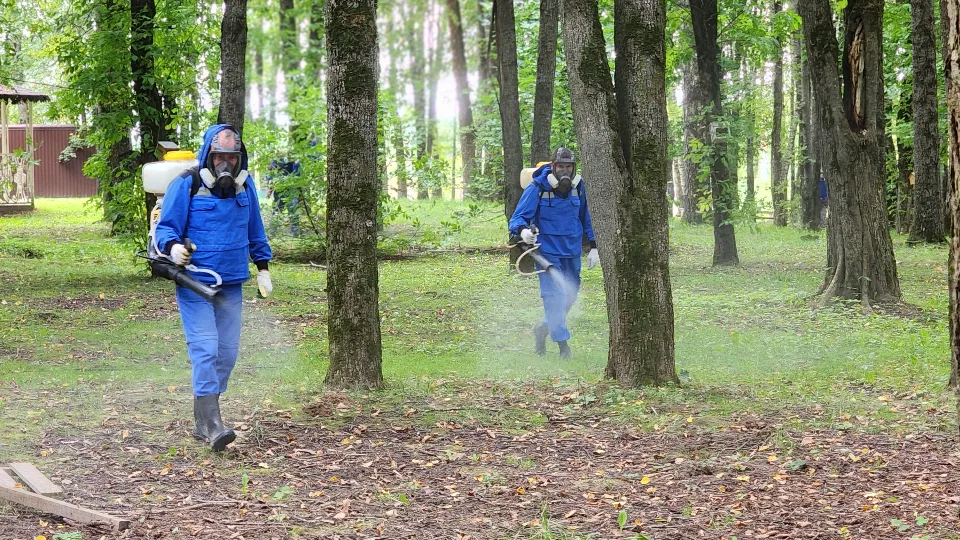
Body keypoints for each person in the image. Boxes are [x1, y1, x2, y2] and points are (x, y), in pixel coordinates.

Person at [154, 124, 273, 451]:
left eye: (231, 158)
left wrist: (262, 267)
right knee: (206, 348)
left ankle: (203, 418)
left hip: (231, 285)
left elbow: (256, 231)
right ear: (209, 154)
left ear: (239, 158)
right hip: (195, 283)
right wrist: (173, 246)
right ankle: (212, 424)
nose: (225, 164)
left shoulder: (245, 189)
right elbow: (165, 229)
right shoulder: (187, 184)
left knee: (227, 354)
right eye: (219, 156)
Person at [508, 147, 599, 359]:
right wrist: (523, 231)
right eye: (560, 167)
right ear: (553, 167)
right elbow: (517, 218)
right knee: (555, 298)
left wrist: (594, 246)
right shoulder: (537, 187)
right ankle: (563, 347)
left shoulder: (579, 188)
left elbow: (587, 218)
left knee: (570, 295)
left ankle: (543, 328)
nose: (564, 171)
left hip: (571, 251)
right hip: (547, 253)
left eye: (568, 167)